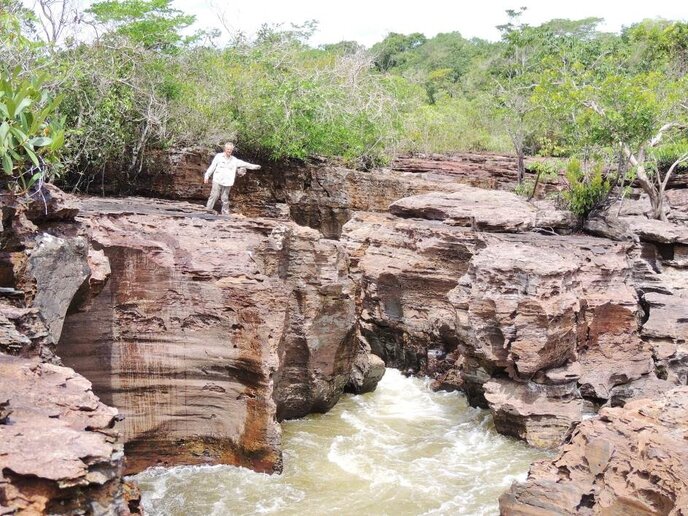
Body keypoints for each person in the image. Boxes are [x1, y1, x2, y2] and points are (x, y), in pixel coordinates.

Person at [204, 142, 261, 214]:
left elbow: (245, 164)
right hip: (217, 179)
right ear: (225, 149)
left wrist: (255, 166)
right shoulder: (218, 156)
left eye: (230, 150)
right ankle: (208, 210)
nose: (229, 151)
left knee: (225, 198)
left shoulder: (234, 160)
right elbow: (212, 167)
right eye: (228, 149)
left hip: (228, 182)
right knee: (214, 195)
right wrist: (207, 175)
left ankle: (225, 213)